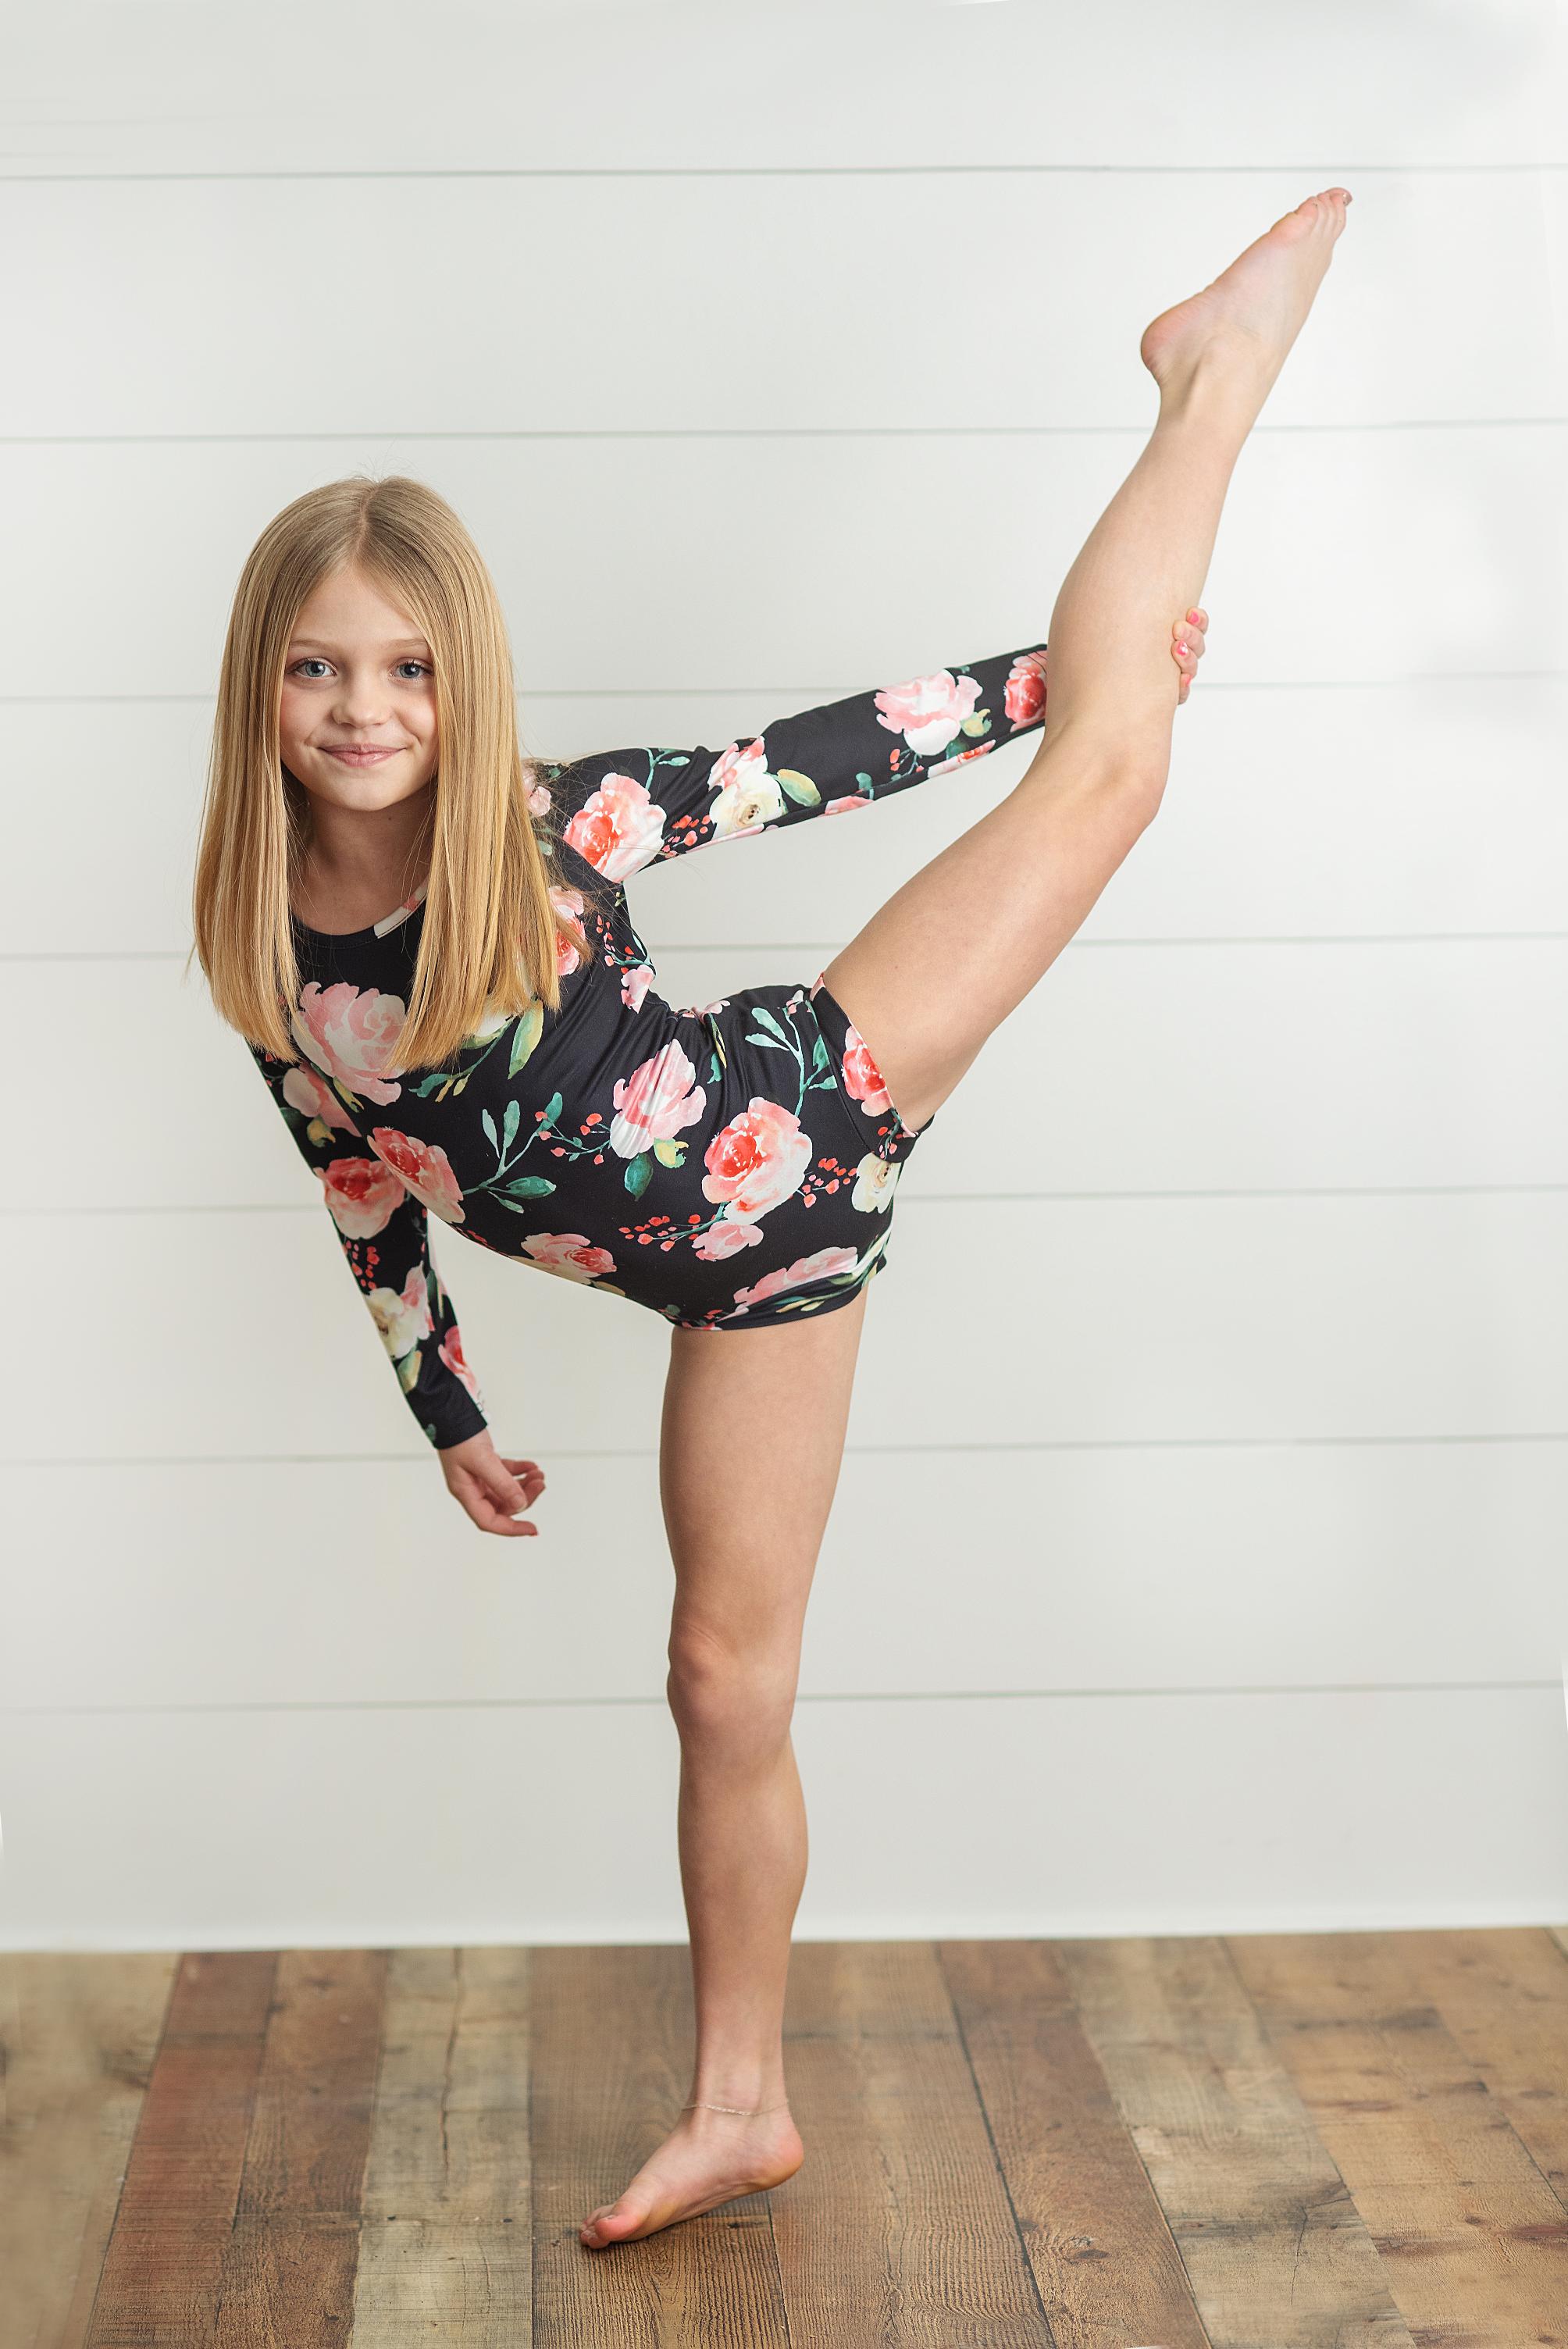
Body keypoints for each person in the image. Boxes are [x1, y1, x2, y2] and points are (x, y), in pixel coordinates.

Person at [191, 187, 1349, 2250]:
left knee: (1111, 764)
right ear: (257, 692)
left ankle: (1207, 377)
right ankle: (744, 2107)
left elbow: (800, 765)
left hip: (806, 1113)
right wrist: (445, 1412)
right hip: (746, 1296)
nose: (367, 708)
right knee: (720, 1681)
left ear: (466, 683)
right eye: (318, 667)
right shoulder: (268, 954)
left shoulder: (547, 831)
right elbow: (353, 1181)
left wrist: (1049, 684)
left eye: (409, 667)